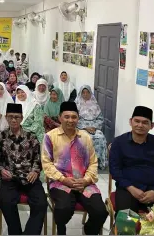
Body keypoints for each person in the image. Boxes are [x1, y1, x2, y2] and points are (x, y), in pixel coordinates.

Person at [41, 101, 108, 235]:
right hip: (61, 183)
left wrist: (86, 180)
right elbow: (47, 164)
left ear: (78, 118)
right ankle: (61, 231)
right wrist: (64, 179)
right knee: (63, 209)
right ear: (60, 118)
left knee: (101, 211)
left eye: (74, 117)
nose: (70, 120)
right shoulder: (50, 137)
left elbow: (93, 163)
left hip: (84, 182)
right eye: (66, 117)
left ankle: (89, 230)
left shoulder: (85, 137)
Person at [0, 103, 47, 235]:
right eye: (10, 117)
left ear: (22, 118)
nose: (13, 120)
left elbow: (38, 159)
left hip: (29, 178)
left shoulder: (31, 137)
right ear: (6, 118)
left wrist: (35, 171)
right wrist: (1, 170)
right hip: (9, 178)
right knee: (6, 203)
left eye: (16, 117)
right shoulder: (0, 137)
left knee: (41, 203)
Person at [109, 106, 154, 218]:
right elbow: (115, 170)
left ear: (151, 126)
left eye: (145, 122)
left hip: (153, 191)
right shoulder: (119, 143)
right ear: (130, 121)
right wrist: (131, 188)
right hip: (127, 189)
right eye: (136, 121)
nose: (140, 125)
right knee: (126, 221)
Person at [75, 85, 109, 170]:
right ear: (80, 93)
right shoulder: (77, 105)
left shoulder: (95, 105)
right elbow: (74, 120)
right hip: (81, 127)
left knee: (100, 137)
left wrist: (94, 127)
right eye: (83, 92)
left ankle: (98, 162)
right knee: (84, 138)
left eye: (87, 92)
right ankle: (82, 163)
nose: (85, 94)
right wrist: (85, 127)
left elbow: (100, 119)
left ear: (90, 93)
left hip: (94, 128)